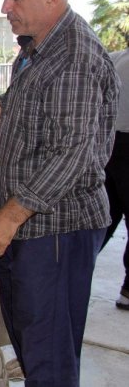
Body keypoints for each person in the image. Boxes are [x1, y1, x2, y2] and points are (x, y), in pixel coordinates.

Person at [0, 0, 119, 386]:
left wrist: (9, 216)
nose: (5, 7)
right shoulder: (39, 47)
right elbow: (38, 104)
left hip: (56, 230)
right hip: (33, 226)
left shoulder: (74, 58)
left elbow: (74, 153)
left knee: (49, 356)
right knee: (31, 341)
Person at [100, 47, 129, 311]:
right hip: (122, 142)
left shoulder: (114, 57)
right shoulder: (116, 58)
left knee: (105, 218)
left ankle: (71, 274)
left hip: (110, 143)